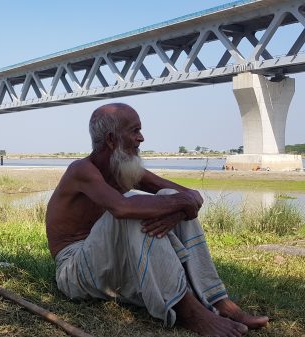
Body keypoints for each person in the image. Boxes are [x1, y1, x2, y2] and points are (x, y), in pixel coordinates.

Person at [45, 103, 268, 337]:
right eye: (134, 131)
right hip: (73, 272)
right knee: (133, 207)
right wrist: (179, 205)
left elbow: (190, 196)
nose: (141, 138)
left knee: (168, 197)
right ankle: (190, 313)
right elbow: (122, 208)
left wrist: (178, 209)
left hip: (106, 265)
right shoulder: (81, 170)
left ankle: (219, 300)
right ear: (111, 139)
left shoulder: (123, 168)